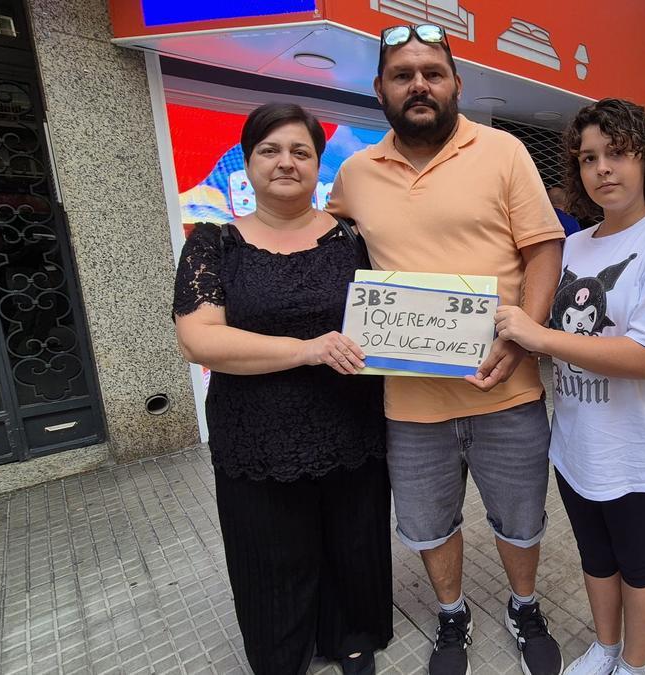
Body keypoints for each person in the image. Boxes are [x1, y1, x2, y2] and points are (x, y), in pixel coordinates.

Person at [326, 24, 566, 675]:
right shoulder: (355, 173)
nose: (419, 85)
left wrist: (526, 332)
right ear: (380, 90)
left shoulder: (504, 151)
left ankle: (524, 605)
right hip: (410, 402)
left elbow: (544, 247)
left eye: (432, 73)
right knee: (430, 523)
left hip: (506, 388)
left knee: (521, 517)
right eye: (402, 75)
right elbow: (328, 253)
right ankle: (452, 612)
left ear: (456, 84)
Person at [173, 103, 392, 675]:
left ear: (319, 164)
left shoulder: (353, 238)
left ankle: (350, 636)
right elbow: (199, 339)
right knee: (269, 550)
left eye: (301, 151)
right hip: (256, 434)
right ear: (247, 163)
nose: (286, 162)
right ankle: (282, 654)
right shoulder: (215, 244)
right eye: (270, 150)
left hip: (350, 424)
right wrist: (306, 350)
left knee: (351, 540)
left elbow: (395, 313)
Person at [492, 98, 645, 675]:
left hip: (640, 449)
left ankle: (634, 665)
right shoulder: (576, 244)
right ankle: (606, 647)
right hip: (577, 442)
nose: (603, 168)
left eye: (617, 153)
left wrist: (540, 337)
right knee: (596, 557)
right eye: (588, 158)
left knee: (638, 562)